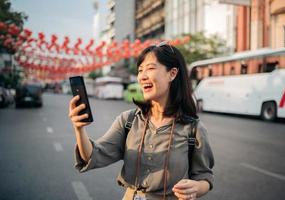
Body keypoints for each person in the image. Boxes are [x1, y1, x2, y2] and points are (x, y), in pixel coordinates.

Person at [68, 41, 214, 200]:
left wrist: (197, 188)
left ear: (172, 73)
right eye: (140, 70)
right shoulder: (128, 121)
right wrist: (79, 128)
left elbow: (204, 176)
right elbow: (94, 155)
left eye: (150, 68)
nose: (142, 76)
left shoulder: (194, 128)